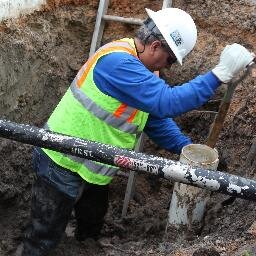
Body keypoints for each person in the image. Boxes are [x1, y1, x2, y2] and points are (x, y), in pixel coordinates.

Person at [18, 7, 254, 256]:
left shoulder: (143, 70)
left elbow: (155, 119)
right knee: (44, 236)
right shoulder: (118, 62)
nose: (169, 67)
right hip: (61, 160)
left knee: (90, 226)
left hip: (94, 165)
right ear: (154, 46)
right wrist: (219, 75)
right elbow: (167, 102)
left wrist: (188, 149)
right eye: (170, 60)